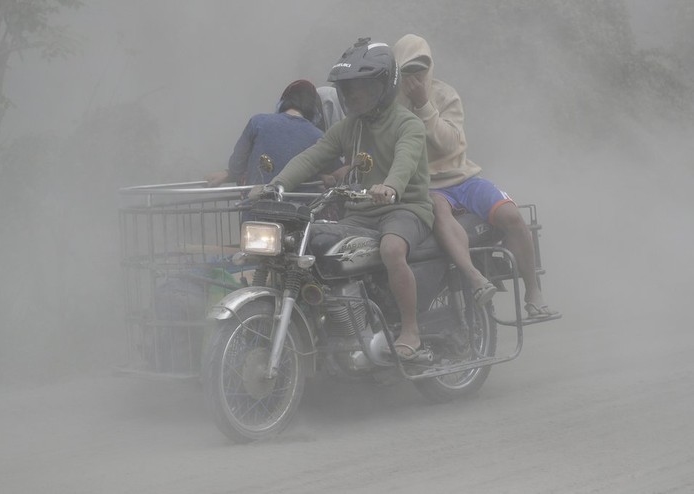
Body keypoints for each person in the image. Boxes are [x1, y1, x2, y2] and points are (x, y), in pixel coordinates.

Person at [265, 38, 435, 359]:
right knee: (316, 243)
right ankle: (338, 328)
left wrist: (391, 186)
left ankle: (411, 330)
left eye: (363, 87)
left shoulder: (407, 123)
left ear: (384, 86)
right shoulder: (348, 127)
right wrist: (276, 184)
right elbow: (312, 157)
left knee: (392, 248)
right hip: (361, 212)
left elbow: (406, 160)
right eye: (349, 88)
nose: (354, 94)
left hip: (404, 209)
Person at [393, 34, 557, 318]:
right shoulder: (392, 107)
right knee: (439, 213)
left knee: (512, 216)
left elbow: (450, 144)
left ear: (430, 67)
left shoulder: (445, 95)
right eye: (408, 70)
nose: (416, 77)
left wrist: (423, 105)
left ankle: (533, 290)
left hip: (464, 178)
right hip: (428, 186)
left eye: (421, 69)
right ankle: (475, 278)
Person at [204, 79, 335, 189]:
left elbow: (236, 166)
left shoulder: (258, 122)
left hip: (257, 209)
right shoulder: (318, 136)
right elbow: (333, 172)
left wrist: (230, 174)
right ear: (314, 110)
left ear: (283, 102)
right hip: (300, 213)